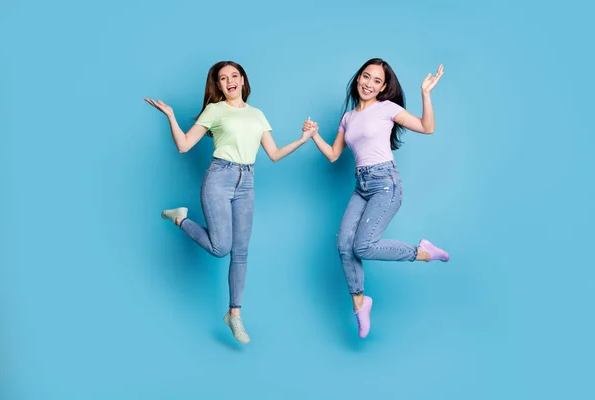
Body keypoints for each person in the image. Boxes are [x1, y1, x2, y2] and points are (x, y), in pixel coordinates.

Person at [144, 61, 314, 344]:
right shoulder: (215, 110)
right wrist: (171, 116)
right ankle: (179, 218)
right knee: (221, 247)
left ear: (243, 80)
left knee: (241, 251)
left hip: (247, 181)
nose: (230, 81)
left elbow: (273, 153)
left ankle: (234, 314)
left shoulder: (258, 114)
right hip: (219, 178)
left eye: (234, 75)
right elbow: (184, 145)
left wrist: (303, 139)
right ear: (219, 86)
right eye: (223, 79)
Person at [304, 58, 449, 339]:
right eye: (366, 77)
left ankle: (422, 252)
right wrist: (314, 136)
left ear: (383, 87)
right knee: (344, 245)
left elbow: (426, 127)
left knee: (363, 246)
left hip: (385, 184)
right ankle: (360, 303)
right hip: (362, 185)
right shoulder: (348, 117)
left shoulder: (388, 109)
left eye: (377, 81)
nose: (369, 84)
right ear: (358, 78)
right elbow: (334, 155)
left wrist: (426, 94)